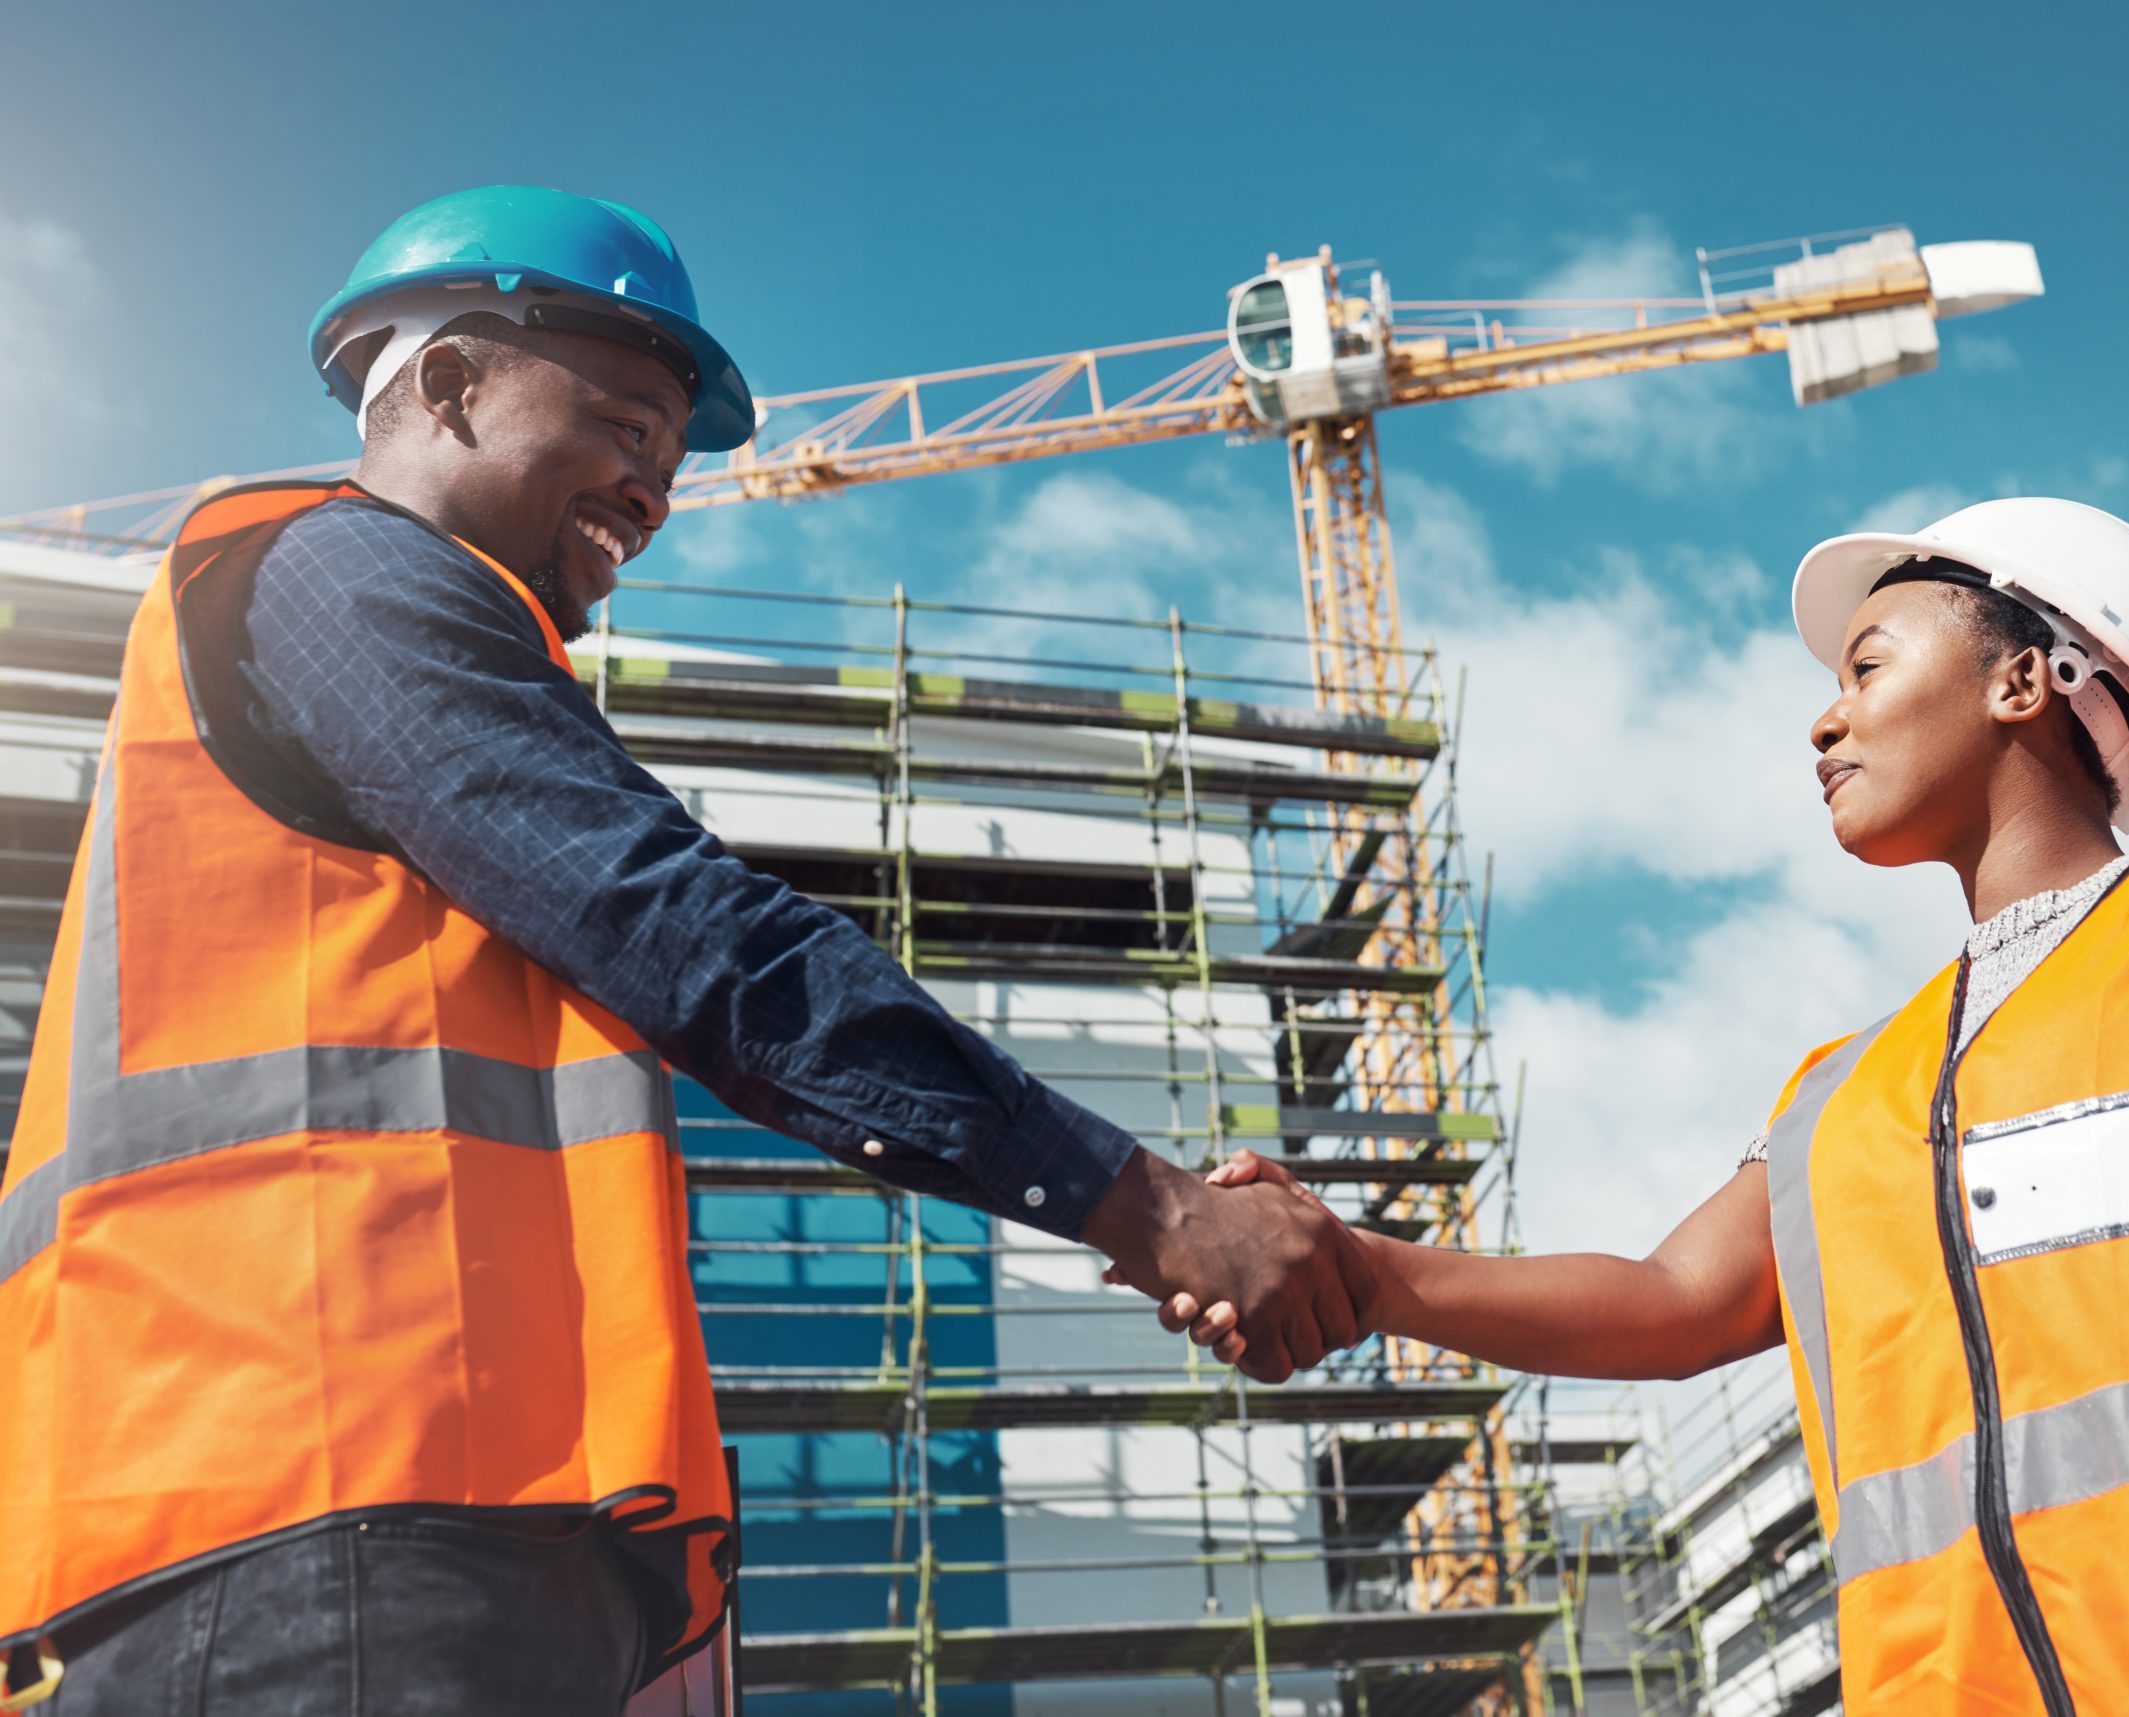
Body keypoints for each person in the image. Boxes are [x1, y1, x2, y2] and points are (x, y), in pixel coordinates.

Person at [0, 186, 1368, 1715]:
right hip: (312, 1492)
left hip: (406, 1508)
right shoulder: (343, 577)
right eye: (623, 424)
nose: (654, 488)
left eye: (667, 452)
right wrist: (1145, 1201)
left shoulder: (410, 644)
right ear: (448, 383)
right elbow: (685, 930)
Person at [1163, 499, 2129, 1717]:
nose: (1823, 717)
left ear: (2029, 677)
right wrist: (1364, 1270)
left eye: (1868, 665)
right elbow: (1670, 1298)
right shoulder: (1847, 1094)